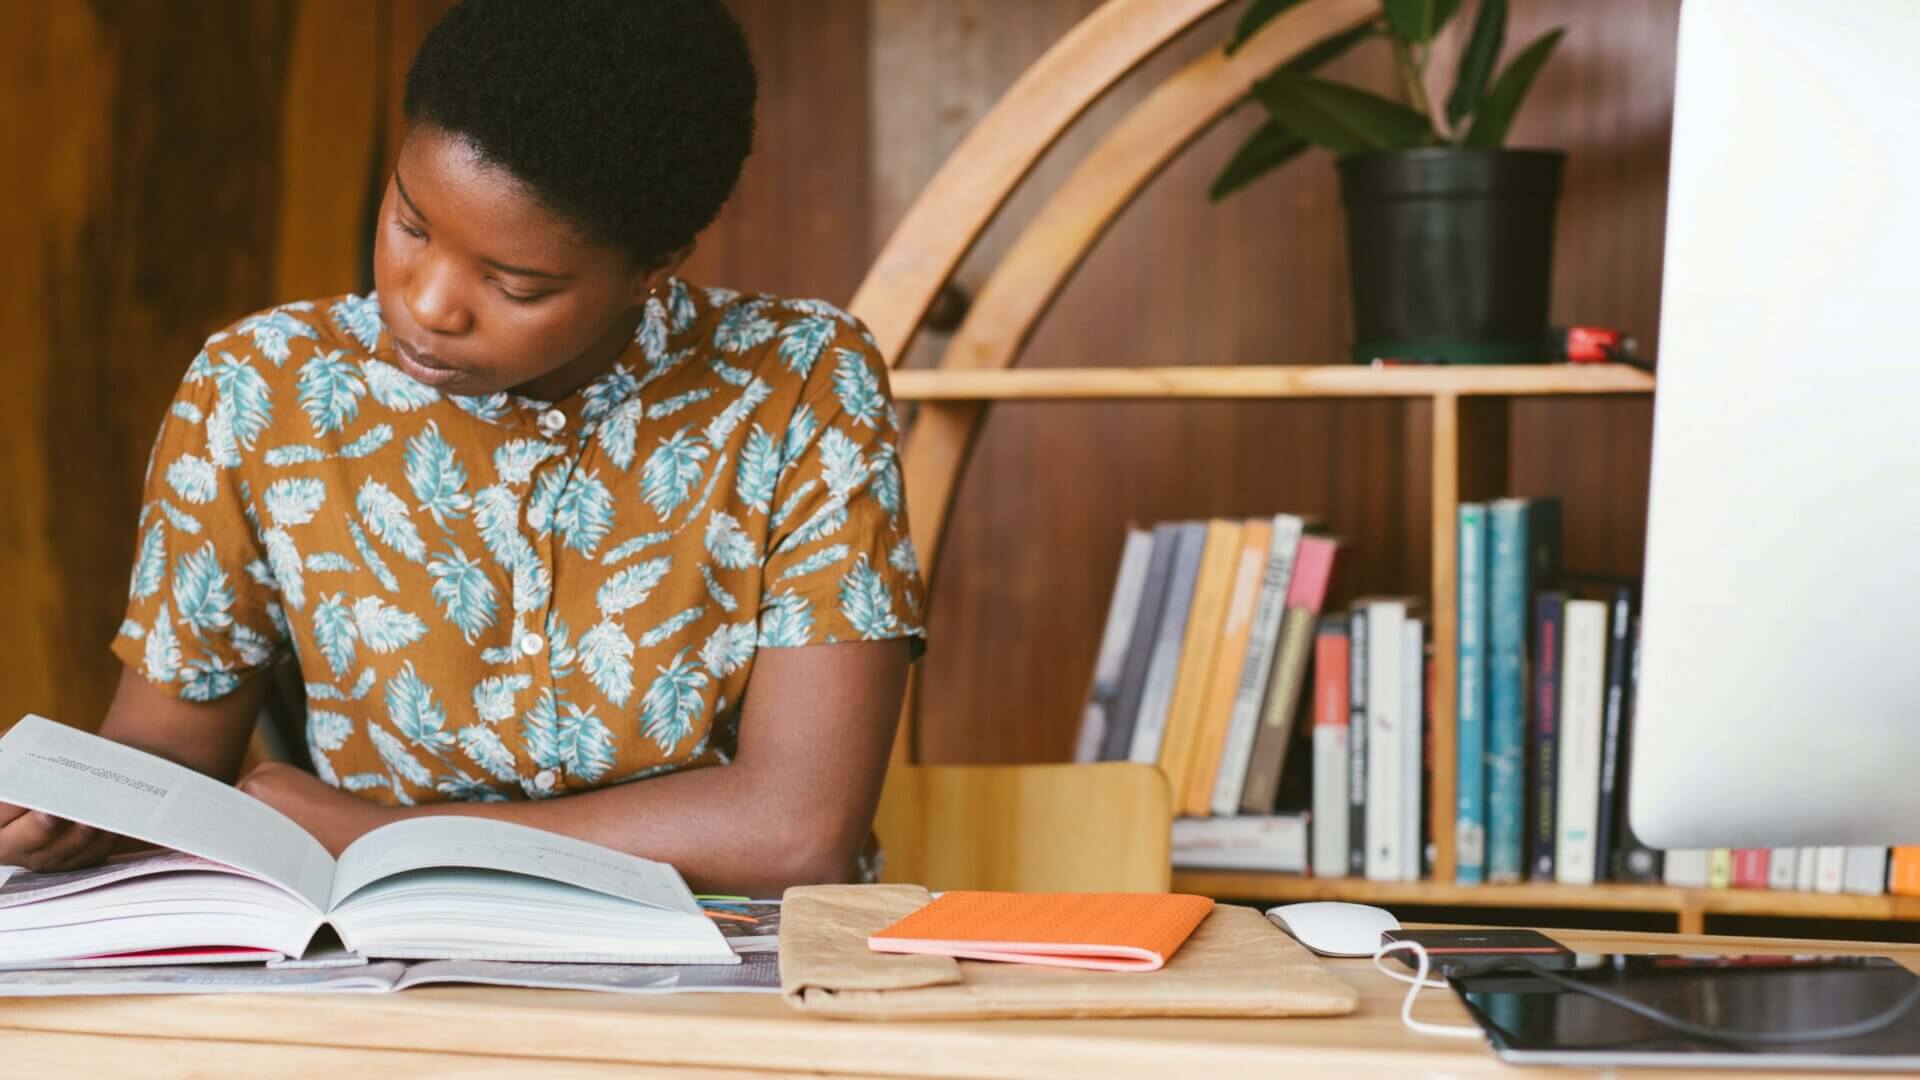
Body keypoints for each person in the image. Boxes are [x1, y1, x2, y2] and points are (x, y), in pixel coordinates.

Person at [0, 0, 924, 896]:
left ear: (655, 266)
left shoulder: (800, 381)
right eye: (410, 223)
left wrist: (383, 838)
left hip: (731, 992)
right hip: (371, 977)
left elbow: (797, 831)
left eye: (516, 285)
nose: (429, 304)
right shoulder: (261, 386)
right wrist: (76, 804)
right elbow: (169, 749)